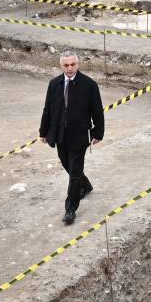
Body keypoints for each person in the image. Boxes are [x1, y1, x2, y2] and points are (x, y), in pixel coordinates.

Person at [39, 50, 104, 226]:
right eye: (66, 65)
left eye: (72, 64)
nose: (69, 68)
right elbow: (48, 109)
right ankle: (86, 185)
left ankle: (70, 209)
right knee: (67, 164)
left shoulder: (89, 85)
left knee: (74, 173)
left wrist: (98, 133)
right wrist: (43, 131)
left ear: (78, 64)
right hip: (60, 135)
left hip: (79, 136)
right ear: (61, 66)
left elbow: (97, 111)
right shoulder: (54, 84)